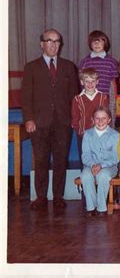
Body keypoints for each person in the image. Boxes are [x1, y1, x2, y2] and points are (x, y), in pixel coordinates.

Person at [21, 28, 80, 210]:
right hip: (39, 122)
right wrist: (29, 119)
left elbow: (75, 96)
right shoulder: (31, 67)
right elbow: (26, 96)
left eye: (57, 41)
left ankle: (58, 196)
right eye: (50, 41)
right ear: (42, 44)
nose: (54, 45)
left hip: (63, 122)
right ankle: (40, 197)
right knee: (41, 160)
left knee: (61, 160)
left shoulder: (69, 66)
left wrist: (74, 119)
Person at [80, 106, 119, 217]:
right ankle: (91, 207)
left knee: (103, 176)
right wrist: (92, 164)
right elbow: (85, 155)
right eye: (97, 118)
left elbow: (116, 157)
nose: (100, 121)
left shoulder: (115, 135)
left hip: (109, 166)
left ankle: (101, 208)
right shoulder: (88, 134)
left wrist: (102, 165)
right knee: (86, 176)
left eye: (104, 118)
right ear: (93, 120)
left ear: (109, 120)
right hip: (91, 166)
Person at [71, 67, 109, 163]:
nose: (90, 84)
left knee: (100, 161)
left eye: (93, 81)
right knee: (85, 162)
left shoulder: (103, 97)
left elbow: (106, 115)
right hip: (83, 135)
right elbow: (75, 117)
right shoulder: (77, 99)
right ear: (82, 82)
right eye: (87, 81)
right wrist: (79, 131)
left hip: (100, 135)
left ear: (97, 82)